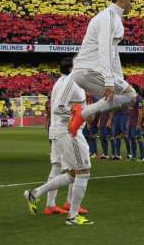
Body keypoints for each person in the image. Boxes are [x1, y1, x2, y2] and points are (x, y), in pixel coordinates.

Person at [62, 0, 139, 138]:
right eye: (131, 1)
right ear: (122, 0)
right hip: (90, 70)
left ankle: (81, 114)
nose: (132, 5)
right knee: (130, 96)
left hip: (87, 71)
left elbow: (113, 53)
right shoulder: (109, 18)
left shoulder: (111, 17)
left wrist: (118, 79)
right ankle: (82, 113)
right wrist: (110, 81)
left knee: (120, 99)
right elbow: (105, 48)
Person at [24, 58, 94, 226]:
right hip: (69, 131)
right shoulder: (71, 82)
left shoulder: (60, 82)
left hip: (59, 130)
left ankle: (36, 193)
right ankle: (72, 216)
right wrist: (78, 115)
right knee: (83, 172)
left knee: (72, 173)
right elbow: (59, 108)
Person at [128, 85, 144, 162]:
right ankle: (134, 156)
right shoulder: (132, 99)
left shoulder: (139, 99)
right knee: (132, 138)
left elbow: (140, 112)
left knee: (138, 138)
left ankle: (142, 157)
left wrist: (139, 124)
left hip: (136, 122)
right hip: (131, 122)